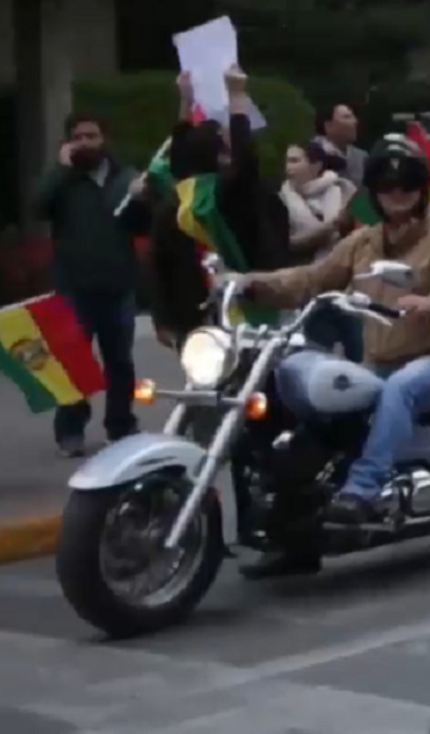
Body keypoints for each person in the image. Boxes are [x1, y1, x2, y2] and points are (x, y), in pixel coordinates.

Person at [236, 134, 430, 573]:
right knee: (309, 400)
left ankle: (362, 490)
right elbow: (312, 278)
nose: (397, 193)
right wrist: (250, 282)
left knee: (401, 388)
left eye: (407, 184)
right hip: (378, 362)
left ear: (422, 188)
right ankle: (294, 536)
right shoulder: (364, 241)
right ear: (374, 192)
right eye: (386, 186)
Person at [143, 67, 288, 349]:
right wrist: (237, 96)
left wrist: (186, 101)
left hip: (193, 318)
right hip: (250, 311)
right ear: (221, 156)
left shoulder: (175, 202)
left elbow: (158, 266)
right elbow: (246, 161)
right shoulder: (230, 194)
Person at [34, 112, 145, 457]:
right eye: (78, 137)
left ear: (104, 139)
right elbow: (37, 208)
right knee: (73, 364)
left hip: (117, 285)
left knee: (120, 362)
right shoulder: (63, 181)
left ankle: (120, 425)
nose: (85, 143)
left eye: (91, 136)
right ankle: (70, 431)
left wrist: (143, 198)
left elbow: (144, 225)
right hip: (73, 287)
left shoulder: (126, 178)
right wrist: (61, 170)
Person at [283, 141, 364, 361]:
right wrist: (330, 227)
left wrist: (345, 225)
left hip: (348, 288)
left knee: (360, 355)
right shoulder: (282, 199)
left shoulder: (344, 191)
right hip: (309, 289)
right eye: (287, 161)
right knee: (317, 358)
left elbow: (361, 235)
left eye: (295, 161)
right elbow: (288, 244)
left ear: (316, 165)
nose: (288, 167)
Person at [314, 102, 369, 187]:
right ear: (328, 126)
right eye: (347, 117)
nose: (355, 121)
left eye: (353, 116)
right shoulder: (311, 158)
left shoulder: (362, 158)